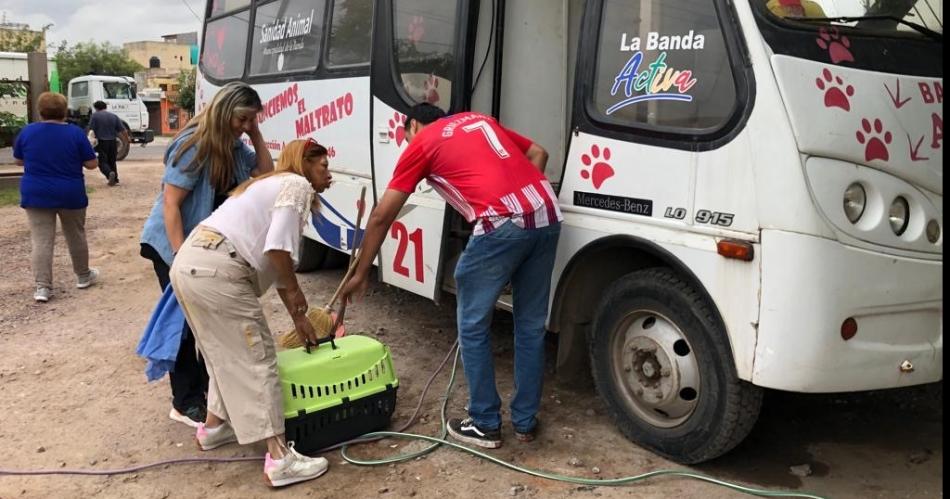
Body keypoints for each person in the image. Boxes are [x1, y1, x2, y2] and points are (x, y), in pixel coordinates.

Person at [340, 103, 561, 448]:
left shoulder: (422, 142)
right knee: (531, 325)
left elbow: (383, 215)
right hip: (546, 211)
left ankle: (486, 422)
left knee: (472, 325)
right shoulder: (477, 119)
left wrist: (361, 270)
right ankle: (525, 422)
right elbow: (538, 153)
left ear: (411, 125)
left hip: (501, 221)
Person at [170, 138, 333, 487]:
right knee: (256, 358)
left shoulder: (266, 184)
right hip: (219, 269)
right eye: (323, 166)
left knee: (222, 354)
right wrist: (298, 294)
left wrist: (299, 318)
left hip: (191, 263)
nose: (328, 174)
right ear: (305, 164)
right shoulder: (296, 184)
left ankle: (214, 428)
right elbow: (278, 252)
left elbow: (275, 264)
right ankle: (279, 458)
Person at [139, 81, 275, 428]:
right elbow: (171, 205)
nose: (245, 126)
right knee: (184, 326)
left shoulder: (234, 145)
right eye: (243, 119)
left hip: (202, 246)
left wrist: (256, 134)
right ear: (225, 111)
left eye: (251, 121)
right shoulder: (193, 145)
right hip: (174, 243)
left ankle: (208, 396)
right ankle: (185, 403)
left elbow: (266, 174)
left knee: (206, 323)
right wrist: (180, 258)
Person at [13, 91, 101, 303]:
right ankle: (82, 276)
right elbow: (92, 164)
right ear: (64, 111)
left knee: (41, 239)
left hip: (36, 192)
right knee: (75, 235)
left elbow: (18, 161)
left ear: (40, 111)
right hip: (70, 192)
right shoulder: (76, 133)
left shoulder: (27, 132)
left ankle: (43, 287)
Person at [86, 100, 129, 186]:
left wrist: (87, 139)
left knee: (102, 162)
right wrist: (127, 140)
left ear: (96, 108)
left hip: (101, 142)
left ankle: (109, 173)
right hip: (113, 142)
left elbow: (90, 129)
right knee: (112, 161)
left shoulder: (95, 116)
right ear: (105, 107)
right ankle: (115, 179)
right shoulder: (113, 116)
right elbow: (123, 130)